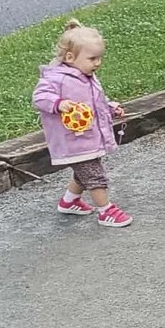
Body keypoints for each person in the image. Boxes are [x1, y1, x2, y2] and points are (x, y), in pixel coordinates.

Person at [32, 18, 131, 228]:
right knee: (95, 175)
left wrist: (110, 108)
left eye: (100, 58)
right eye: (92, 58)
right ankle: (106, 211)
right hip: (73, 139)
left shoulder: (87, 76)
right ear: (70, 57)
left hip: (88, 137)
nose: (98, 63)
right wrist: (58, 104)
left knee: (84, 172)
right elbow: (39, 97)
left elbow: (95, 103)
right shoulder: (56, 78)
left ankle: (69, 201)